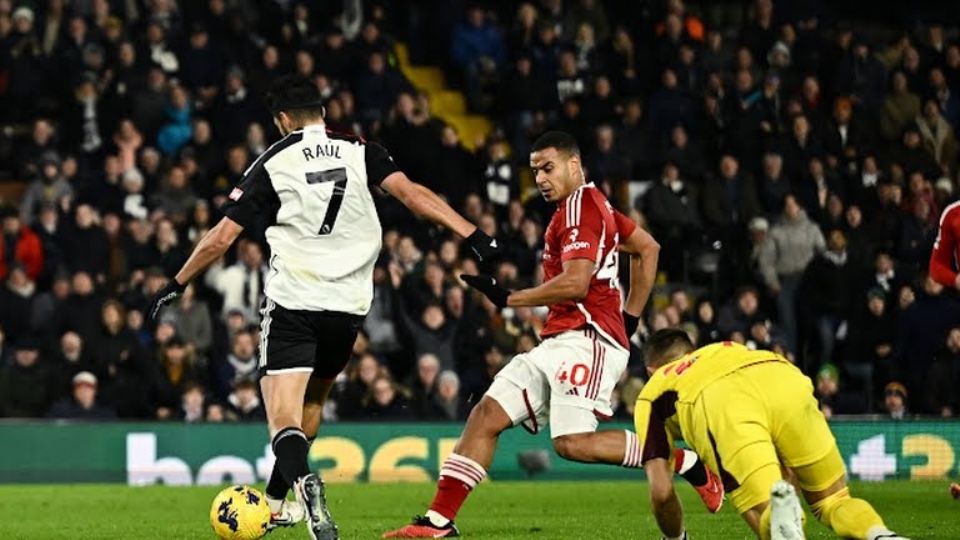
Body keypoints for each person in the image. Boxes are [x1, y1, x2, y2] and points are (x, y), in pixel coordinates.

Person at [146, 74, 498, 540]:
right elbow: (413, 195)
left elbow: (222, 238)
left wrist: (177, 282)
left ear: (283, 121)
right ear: (324, 114)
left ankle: (305, 483)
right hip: (349, 306)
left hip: (295, 300)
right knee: (314, 400)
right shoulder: (359, 149)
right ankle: (275, 504)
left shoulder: (273, 161)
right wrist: (473, 235)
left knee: (282, 416)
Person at [383, 131, 721, 539]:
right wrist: (629, 318)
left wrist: (511, 298)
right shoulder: (591, 207)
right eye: (534, 171)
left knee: (572, 444)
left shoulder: (582, 208)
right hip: (562, 339)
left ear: (574, 165)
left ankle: (681, 460)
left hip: (587, 338)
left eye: (548, 168)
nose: (540, 178)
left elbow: (577, 283)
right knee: (486, 414)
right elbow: (648, 248)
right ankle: (439, 522)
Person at [635, 328, 909, 540]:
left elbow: (661, 491)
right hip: (780, 374)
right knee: (834, 500)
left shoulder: (653, 391)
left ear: (650, 371)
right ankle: (878, 532)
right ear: (691, 351)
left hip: (721, 400)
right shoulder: (724, 348)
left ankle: (782, 512)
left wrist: (675, 536)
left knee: (768, 514)